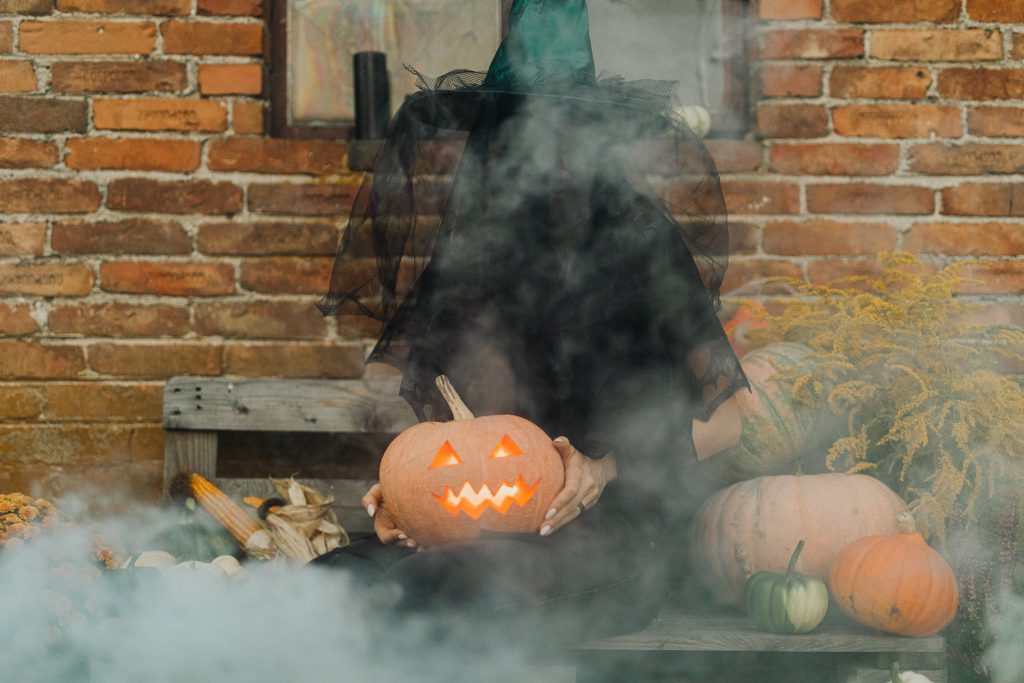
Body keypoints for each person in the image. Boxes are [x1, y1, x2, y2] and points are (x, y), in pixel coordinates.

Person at [313, 0, 748, 652]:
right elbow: (427, 404)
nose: (552, 157)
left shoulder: (642, 242)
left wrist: (605, 467)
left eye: (568, 133)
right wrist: (408, 487)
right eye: (526, 136)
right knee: (332, 580)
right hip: (485, 527)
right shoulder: (478, 251)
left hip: (616, 531)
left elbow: (733, 415)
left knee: (444, 588)